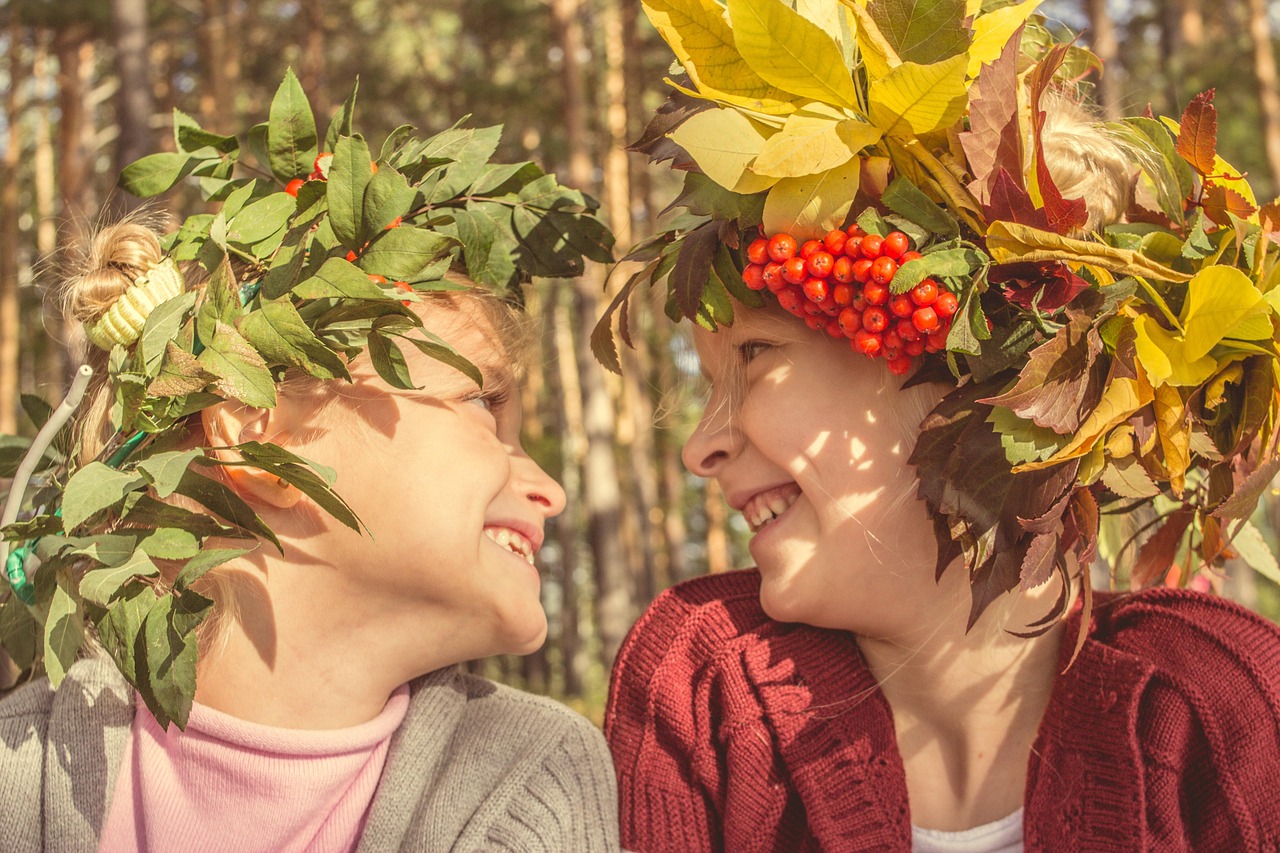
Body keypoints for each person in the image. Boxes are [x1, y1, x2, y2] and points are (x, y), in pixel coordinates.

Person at [600, 2, 1280, 850]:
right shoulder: (706, 693)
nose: (701, 445)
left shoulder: (1222, 712)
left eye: (758, 357)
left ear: (987, 370)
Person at [0, 78, 618, 852]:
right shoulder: (18, 779)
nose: (550, 489)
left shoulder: (530, 779)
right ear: (264, 432)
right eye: (485, 404)